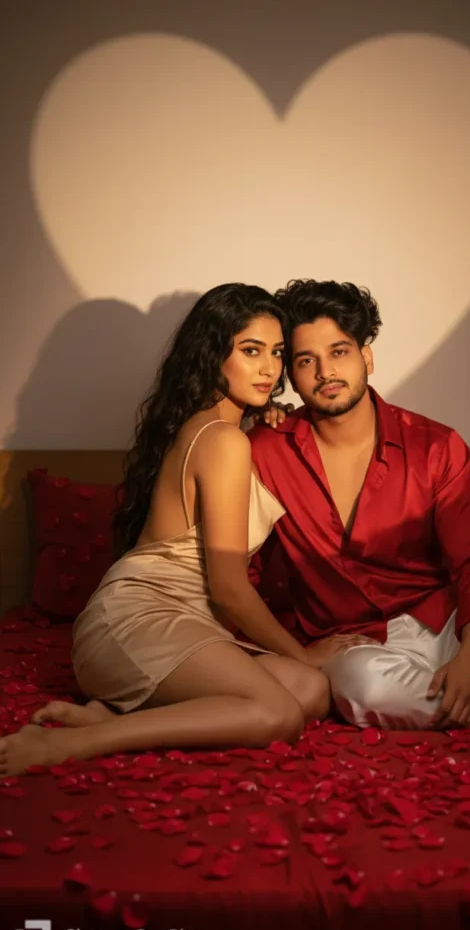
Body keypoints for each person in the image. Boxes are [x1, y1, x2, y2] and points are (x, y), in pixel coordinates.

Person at [0, 284, 357, 778]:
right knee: (280, 713)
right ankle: (76, 743)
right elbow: (230, 590)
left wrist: (263, 417)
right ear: (213, 355)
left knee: (309, 691)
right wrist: (304, 652)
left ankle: (113, 710)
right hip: (134, 622)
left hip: (180, 624)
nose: (270, 369)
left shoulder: (219, 428)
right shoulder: (224, 440)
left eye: (277, 353)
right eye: (250, 351)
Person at [246, 278, 470, 731]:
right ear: (291, 373)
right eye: (307, 360)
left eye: (339, 351)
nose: (325, 371)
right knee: (363, 685)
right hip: (361, 648)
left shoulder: (435, 445)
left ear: (366, 355)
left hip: (452, 620)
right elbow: (239, 571)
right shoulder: (267, 452)